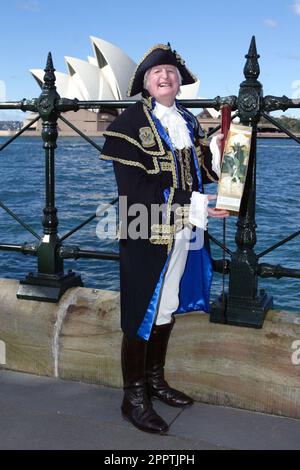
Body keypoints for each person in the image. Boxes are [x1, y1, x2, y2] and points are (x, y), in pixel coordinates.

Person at [100, 43, 229, 434]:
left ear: (179, 81)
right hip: (146, 227)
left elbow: (200, 169)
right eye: (157, 73)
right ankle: (133, 397)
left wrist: (224, 151)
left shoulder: (188, 122)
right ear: (144, 83)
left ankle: (155, 381)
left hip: (184, 228)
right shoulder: (127, 126)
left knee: (167, 303)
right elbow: (134, 189)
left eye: (171, 71)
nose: (165, 76)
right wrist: (198, 203)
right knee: (142, 309)